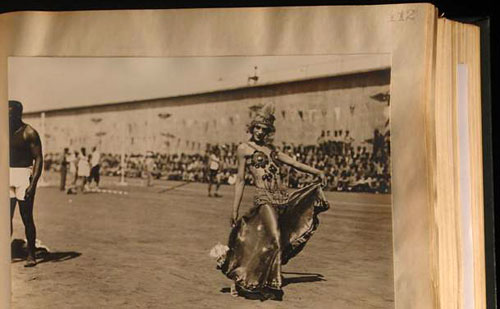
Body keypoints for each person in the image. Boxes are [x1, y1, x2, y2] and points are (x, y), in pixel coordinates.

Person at [215, 103, 330, 300]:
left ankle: (242, 278)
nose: (259, 132)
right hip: (263, 199)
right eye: (257, 128)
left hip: (280, 199)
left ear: (268, 131)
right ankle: (269, 284)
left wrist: (317, 171)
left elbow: (294, 163)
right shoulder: (244, 149)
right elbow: (241, 180)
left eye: (264, 129)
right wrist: (234, 210)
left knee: (269, 242)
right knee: (275, 240)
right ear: (252, 128)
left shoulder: (271, 150)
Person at [8, 100, 43, 267]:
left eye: (9, 113)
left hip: (23, 176)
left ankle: (31, 254)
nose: (6, 116)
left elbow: (39, 158)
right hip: (7, 175)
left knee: (26, 217)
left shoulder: (29, 132)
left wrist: (33, 184)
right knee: (4, 218)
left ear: (17, 114)